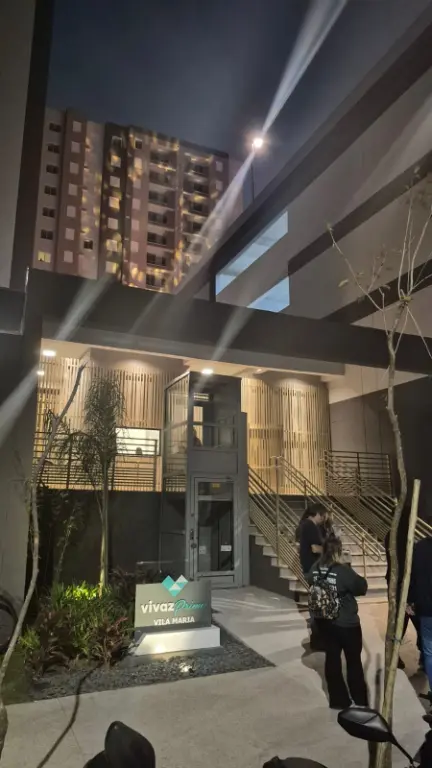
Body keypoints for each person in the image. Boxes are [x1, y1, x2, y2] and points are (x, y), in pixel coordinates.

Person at [307, 534, 369, 710]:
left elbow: (310, 580)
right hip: (347, 623)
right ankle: (359, 698)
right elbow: (361, 587)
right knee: (353, 661)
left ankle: (338, 700)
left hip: (325, 621)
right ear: (339, 551)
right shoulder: (343, 570)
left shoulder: (315, 567)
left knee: (332, 659)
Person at [384, 504, 423, 669]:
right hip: (403, 585)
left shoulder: (391, 534)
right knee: (409, 620)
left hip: (398, 584)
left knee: (403, 621)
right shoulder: (403, 536)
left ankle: (395, 655)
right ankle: (397, 655)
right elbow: (406, 565)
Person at [408, 528, 432, 693]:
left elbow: (411, 576)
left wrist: (410, 600)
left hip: (426, 607)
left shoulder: (419, 547)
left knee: (429, 652)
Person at [299, 503, 324, 574]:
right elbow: (315, 548)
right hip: (312, 565)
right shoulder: (310, 526)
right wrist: (329, 551)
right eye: (321, 515)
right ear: (317, 513)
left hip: (310, 564)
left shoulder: (307, 524)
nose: (322, 518)